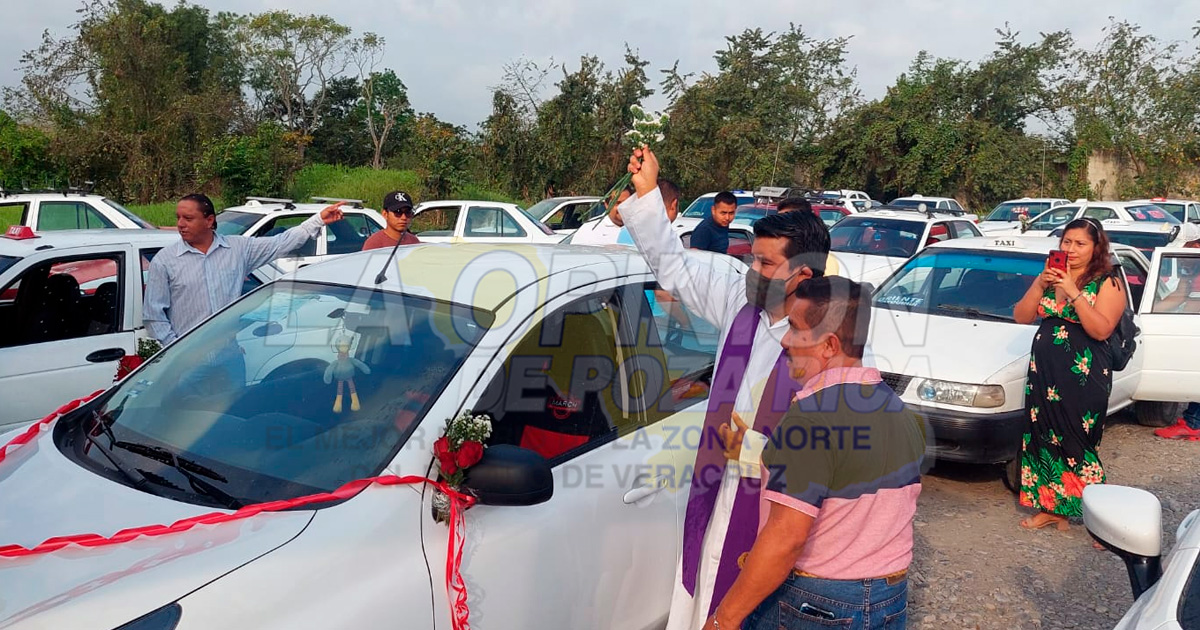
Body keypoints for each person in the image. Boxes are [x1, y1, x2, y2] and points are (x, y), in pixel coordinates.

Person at [614, 146, 832, 629]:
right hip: (716, 489)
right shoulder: (740, 299)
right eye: (753, 259)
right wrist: (648, 193)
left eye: (766, 264)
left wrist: (751, 452)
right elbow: (674, 267)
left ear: (803, 274)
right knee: (702, 589)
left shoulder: (827, 343)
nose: (752, 271)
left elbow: (830, 450)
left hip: (772, 511)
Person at [702, 277, 924, 630]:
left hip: (815, 603)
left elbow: (786, 538)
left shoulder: (811, 417)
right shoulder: (898, 411)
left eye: (795, 328)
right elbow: (847, 482)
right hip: (889, 598)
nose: (785, 340)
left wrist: (723, 619)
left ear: (829, 344)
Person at [1012, 217, 1126, 530]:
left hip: (1084, 375)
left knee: (1079, 444)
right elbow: (1021, 317)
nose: (1071, 249)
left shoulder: (1108, 282)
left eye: (1080, 243)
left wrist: (1073, 292)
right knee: (1044, 437)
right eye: (1067, 242)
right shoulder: (1050, 276)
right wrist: (1040, 284)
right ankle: (1052, 509)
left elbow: (1101, 330)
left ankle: (1103, 523)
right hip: (1045, 374)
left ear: (1096, 247)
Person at [144, 193, 345, 345]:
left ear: (209, 221)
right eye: (178, 218)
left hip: (230, 353)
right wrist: (176, 351)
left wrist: (318, 219)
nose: (180, 224)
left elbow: (281, 243)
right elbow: (153, 316)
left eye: (188, 218)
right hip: (186, 361)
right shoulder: (165, 261)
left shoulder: (238, 249)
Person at [1154, 239, 1200, 440]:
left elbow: (1189, 301)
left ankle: (1193, 423)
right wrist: (1150, 311)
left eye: (1186, 255)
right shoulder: (1191, 272)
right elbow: (1179, 296)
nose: (1181, 261)